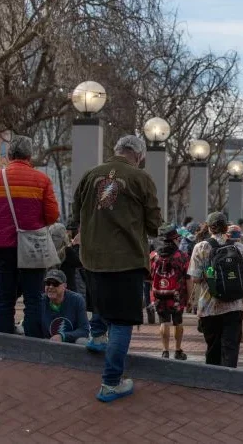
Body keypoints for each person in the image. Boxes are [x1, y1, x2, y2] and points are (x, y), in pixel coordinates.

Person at [72, 135, 162, 402]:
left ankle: (97, 336)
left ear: (116, 150)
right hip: (125, 259)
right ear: (140, 155)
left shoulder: (90, 175)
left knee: (99, 301)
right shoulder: (140, 178)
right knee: (122, 322)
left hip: (91, 257)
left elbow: (75, 213)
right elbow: (154, 222)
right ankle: (111, 382)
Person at [0, 135, 59, 338]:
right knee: (34, 297)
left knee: (4, 297)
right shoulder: (41, 180)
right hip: (33, 246)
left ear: (9, 154)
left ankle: (5, 340)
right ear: (29, 155)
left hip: (3, 246)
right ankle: (33, 341)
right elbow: (52, 215)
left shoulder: (0, 177)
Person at [186, 212, 243, 368]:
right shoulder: (238, 246)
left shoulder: (201, 247)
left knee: (213, 348)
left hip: (209, 307)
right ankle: (229, 382)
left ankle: (213, 383)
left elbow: (195, 278)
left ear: (210, 228)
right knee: (231, 348)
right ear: (226, 227)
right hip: (234, 306)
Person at [149, 225, 189, 360]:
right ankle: (178, 350)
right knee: (178, 322)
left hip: (159, 293)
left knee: (163, 321)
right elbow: (188, 278)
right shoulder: (182, 256)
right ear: (175, 239)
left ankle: (165, 350)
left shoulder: (154, 256)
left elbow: (149, 276)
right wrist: (189, 296)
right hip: (177, 295)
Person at [40, 269, 89, 343]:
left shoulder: (77, 300)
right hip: (46, 343)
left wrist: (63, 336)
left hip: (70, 343)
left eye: (55, 284)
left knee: (82, 341)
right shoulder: (40, 300)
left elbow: (84, 330)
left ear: (64, 286)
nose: (50, 287)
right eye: (48, 283)